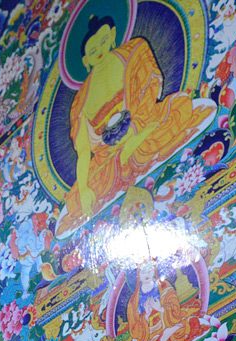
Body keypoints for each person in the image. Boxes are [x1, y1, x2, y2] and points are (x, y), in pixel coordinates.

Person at [57, 16, 215, 235]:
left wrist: (135, 130)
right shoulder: (80, 102)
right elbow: (84, 151)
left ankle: (134, 147)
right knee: (82, 196)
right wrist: (84, 188)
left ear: (113, 36)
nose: (100, 50)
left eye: (104, 40)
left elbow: (149, 93)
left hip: (145, 123)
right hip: (108, 153)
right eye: (93, 51)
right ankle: (123, 156)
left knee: (170, 119)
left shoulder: (134, 52)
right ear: (86, 60)